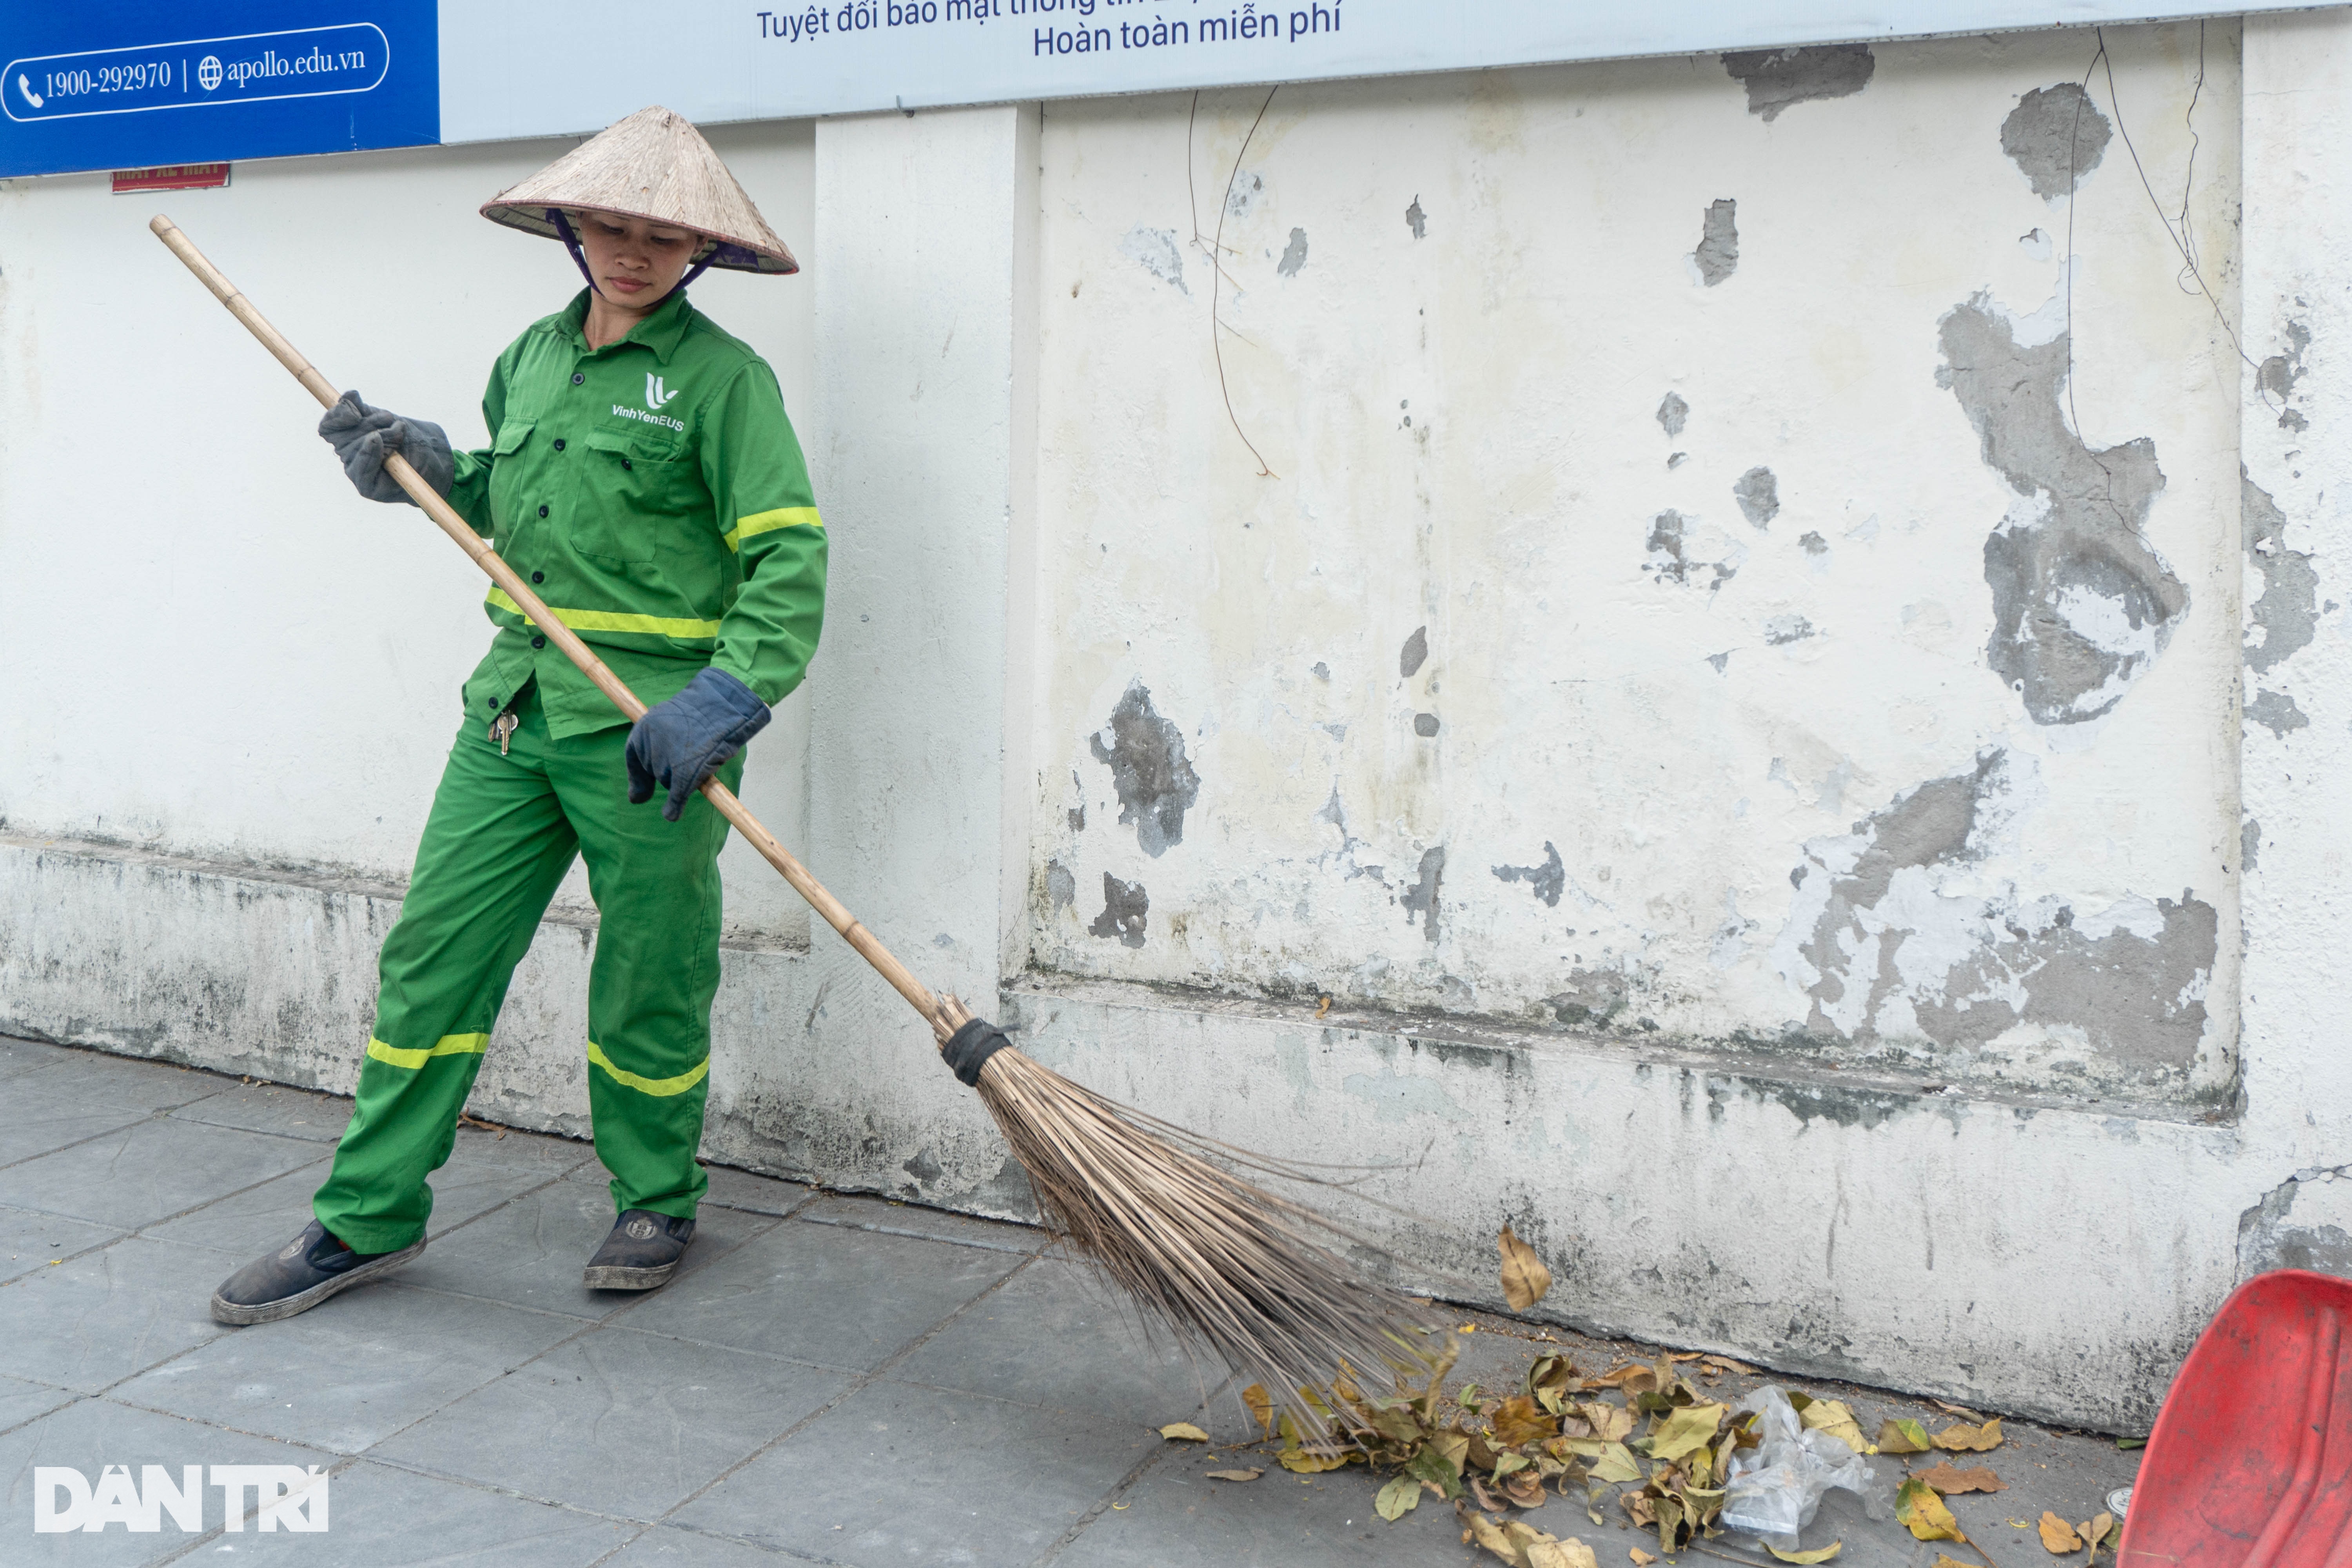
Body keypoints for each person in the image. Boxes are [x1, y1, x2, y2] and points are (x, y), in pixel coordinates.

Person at [209, 107, 825, 1324]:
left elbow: (789, 559)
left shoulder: (724, 383)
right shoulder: (531, 361)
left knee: (650, 972)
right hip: (512, 710)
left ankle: (658, 1194)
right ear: (570, 227)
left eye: (662, 236)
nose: (634, 254)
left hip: (652, 736)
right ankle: (367, 1215)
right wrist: (431, 466)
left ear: (697, 253)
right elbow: (513, 501)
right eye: (611, 226)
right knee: (435, 955)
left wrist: (726, 695)